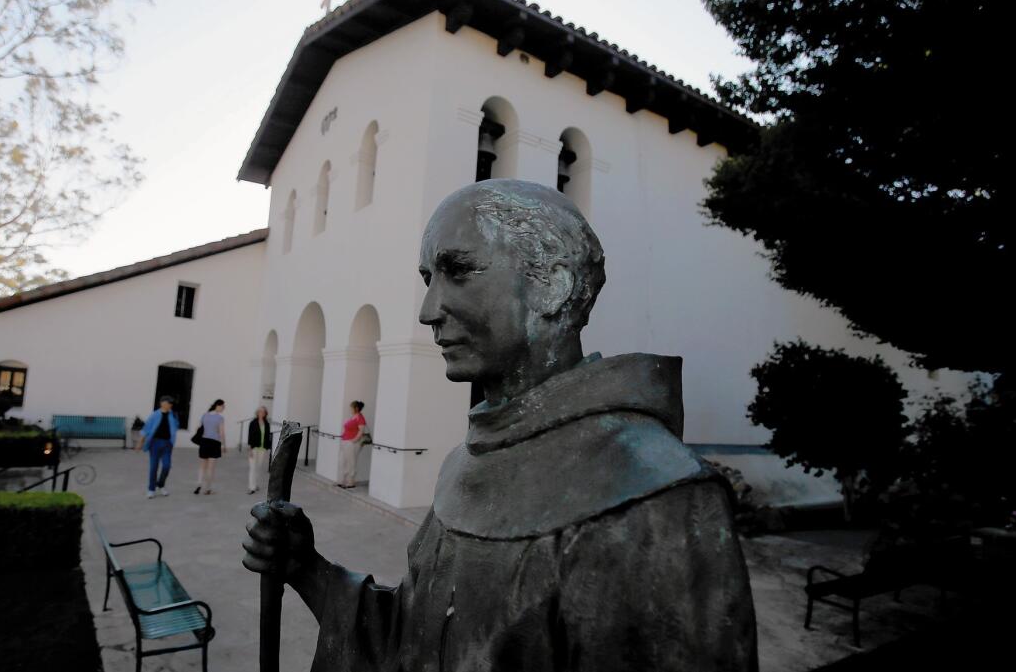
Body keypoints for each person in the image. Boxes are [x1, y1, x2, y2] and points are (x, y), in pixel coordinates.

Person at [243, 179, 757, 671]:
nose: (428, 311)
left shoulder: (652, 495)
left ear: (553, 286)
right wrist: (307, 569)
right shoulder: (465, 463)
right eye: (429, 279)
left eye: (458, 271)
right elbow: (420, 638)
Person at [140, 396, 178, 499]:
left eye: (171, 403)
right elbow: (146, 428)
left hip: (167, 444)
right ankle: (151, 489)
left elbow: (176, 427)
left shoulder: (173, 415)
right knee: (154, 467)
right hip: (155, 443)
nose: (170, 405)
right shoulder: (154, 415)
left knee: (167, 466)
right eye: (168, 403)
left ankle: (160, 484)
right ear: (162, 403)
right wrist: (140, 443)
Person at [193, 399, 226, 495]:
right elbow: (221, 433)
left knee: (202, 466)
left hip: (204, 442)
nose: (223, 409)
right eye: (223, 407)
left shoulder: (205, 415)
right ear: (218, 406)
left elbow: (198, 428)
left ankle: (199, 484)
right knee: (211, 468)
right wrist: (224, 445)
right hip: (214, 443)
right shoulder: (220, 418)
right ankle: (208, 489)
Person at [337, 401, 367, 489]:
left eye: (351, 407)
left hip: (351, 443)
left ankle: (350, 482)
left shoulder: (360, 418)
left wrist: (353, 441)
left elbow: (361, 431)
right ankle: (342, 480)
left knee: (351, 462)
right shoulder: (353, 417)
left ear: (356, 408)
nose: (350, 409)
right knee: (343, 461)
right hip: (345, 441)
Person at [247, 405, 272, 495]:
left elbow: (268, 436)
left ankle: (255, 484)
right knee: (252, 467)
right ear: (257, 413)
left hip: (263, 449)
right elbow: (250, 436)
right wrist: (249, 449)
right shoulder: (253, 423)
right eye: (259, 411)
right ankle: (251, 487)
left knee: (258, 467)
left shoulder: (267, 423)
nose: (261, 413)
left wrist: (268, 448)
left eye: (263, 412)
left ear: (265, 413)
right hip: (254, 448)